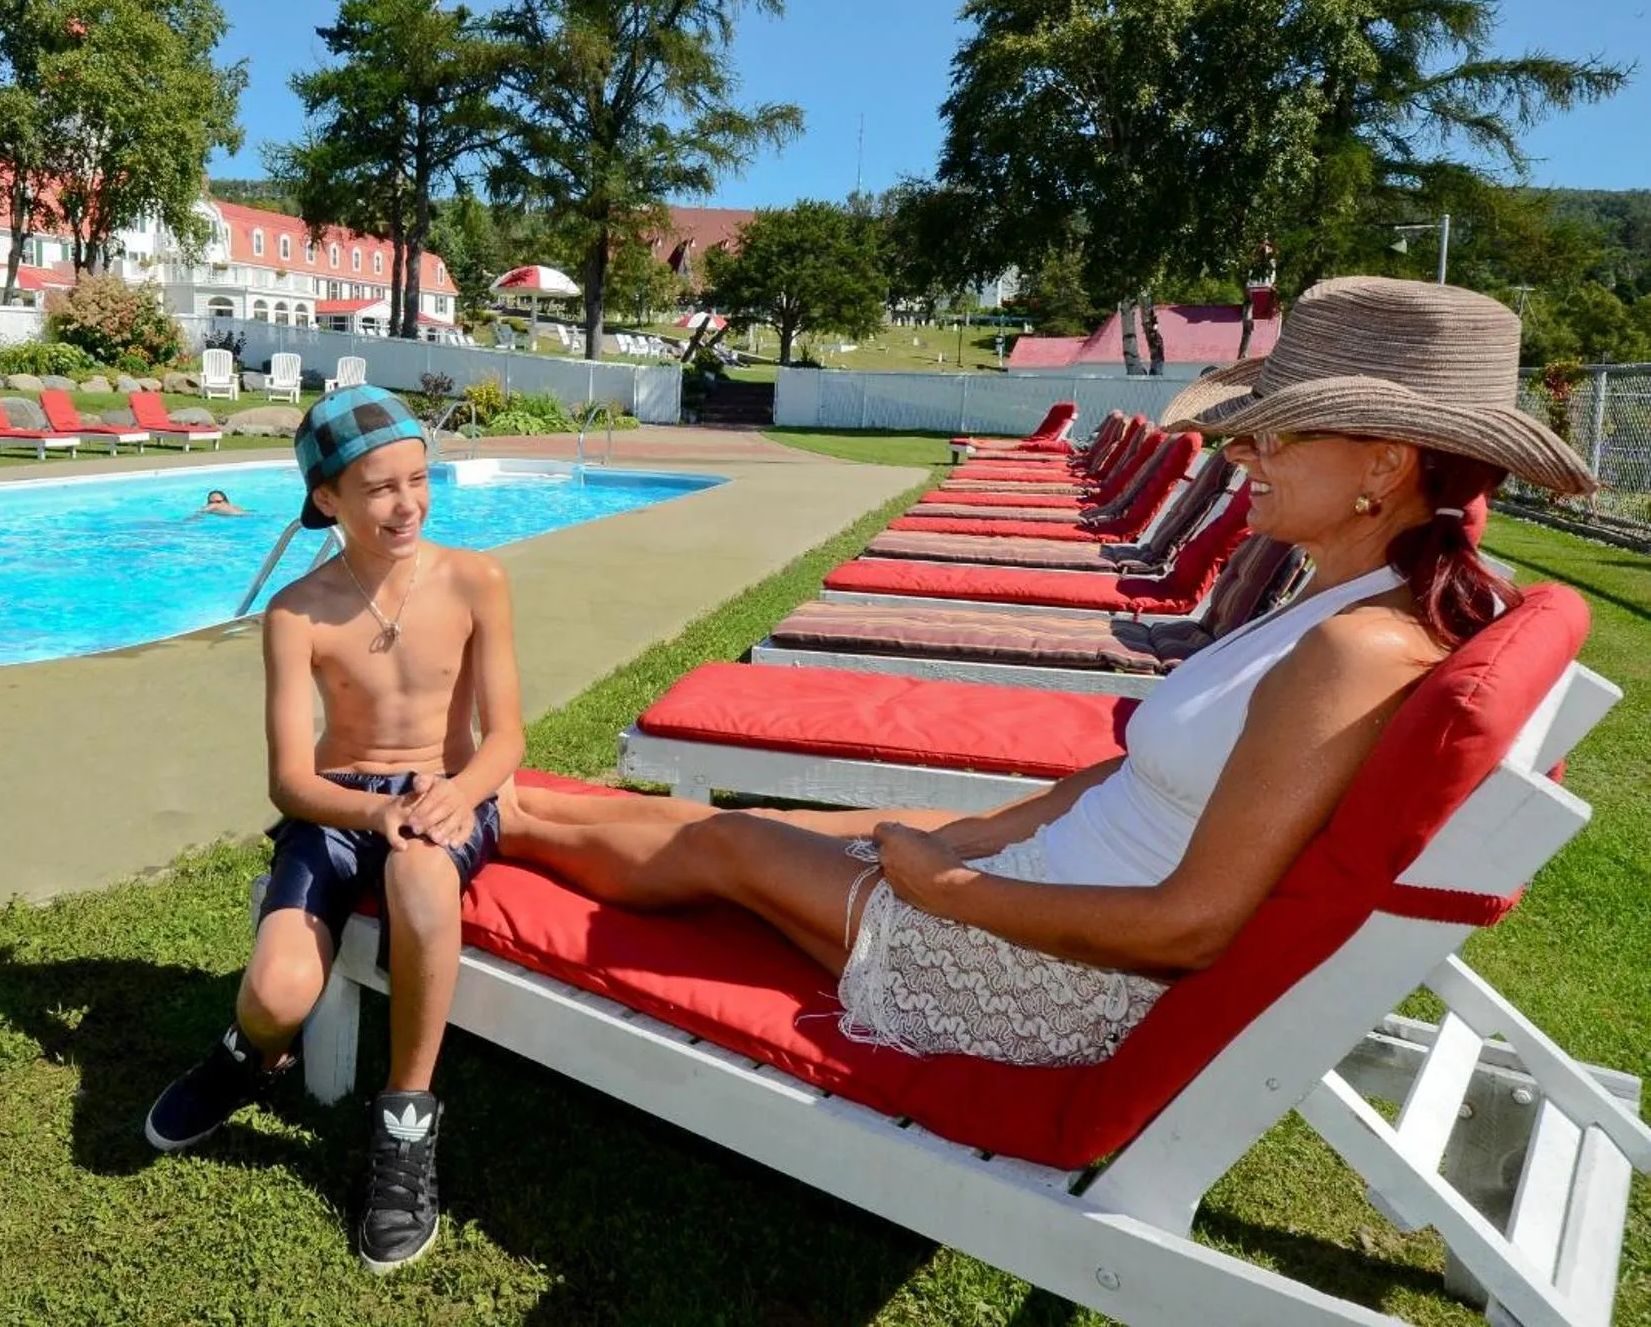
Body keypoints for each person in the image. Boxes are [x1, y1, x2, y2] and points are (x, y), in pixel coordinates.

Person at [501, 278, 1592, 1069]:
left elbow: (1190, 926)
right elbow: (1133, 784)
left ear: (1383, 464)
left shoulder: (1355, 648)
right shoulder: (1335, 596)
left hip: (1055, 973)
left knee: (732, 840)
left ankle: (473, 825)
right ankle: (506, 804)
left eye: (1273, 436)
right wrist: (981, 832)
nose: (1240, 457)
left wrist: (953, 886)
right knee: (786, 821)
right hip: (1056, 880)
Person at [145, 384, 524, 1273]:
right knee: (277, 997)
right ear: (327, 500)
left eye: (419, 481)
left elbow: (506, 736)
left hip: (441, 793)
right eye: (380, 489)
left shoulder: (477, 579)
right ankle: (247, 1056)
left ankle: (405, 1123)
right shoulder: (297, 612)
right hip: (340, 805)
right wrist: (373, 811)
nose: (407, 505)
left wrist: (458, 794)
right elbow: (289, 780)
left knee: (425, 875)